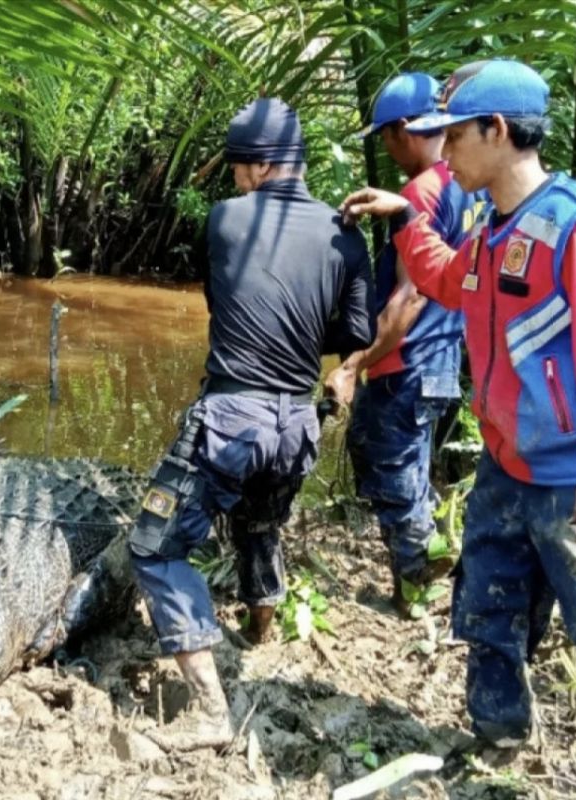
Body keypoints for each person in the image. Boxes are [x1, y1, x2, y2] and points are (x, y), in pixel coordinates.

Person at [339, 60, 576, 798]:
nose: (442, 154)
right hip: (507, 472)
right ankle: (497, 737)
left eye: (454, 137)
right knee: (488, 609)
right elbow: (447, 281)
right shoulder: (489, 231)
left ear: (497, 131)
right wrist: (409, 218)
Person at [128, 97, 374, 752]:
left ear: (258, 166)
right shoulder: (344, 234)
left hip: (232, 418)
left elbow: (229, 301)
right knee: (260, 522)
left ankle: (209, 709)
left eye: (238, 167)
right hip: (297, 423)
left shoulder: (226, 220)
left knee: (154, 546)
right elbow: (353, 335)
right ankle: (262, 631)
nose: (235, 179)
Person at [324, 73, 480, 617]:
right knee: (400, 462)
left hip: (407, 357)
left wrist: (353, 365)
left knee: (390, 465)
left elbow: (409, 298)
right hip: (441, 356)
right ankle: (433, 558)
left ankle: (417, 584)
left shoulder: (422, 193)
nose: (386, 150)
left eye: (386, 136)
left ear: (405, 130)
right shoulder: (467, 187)